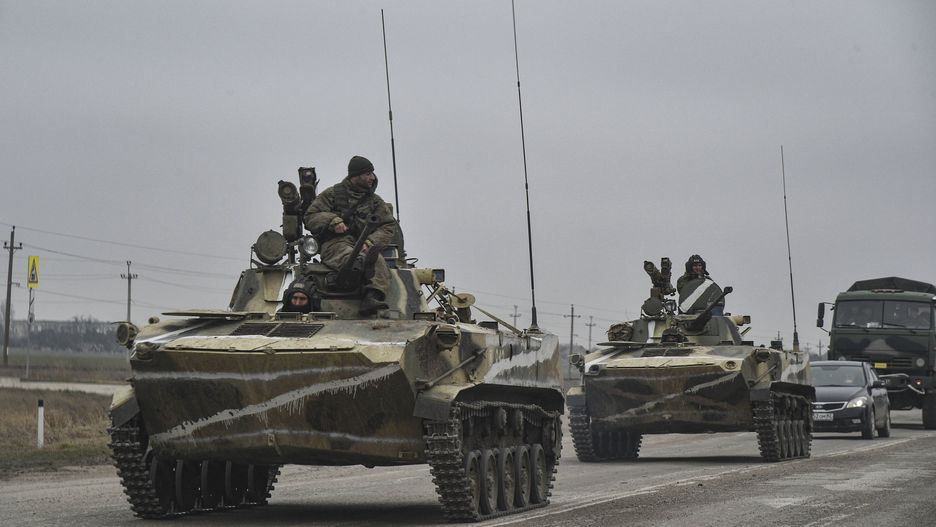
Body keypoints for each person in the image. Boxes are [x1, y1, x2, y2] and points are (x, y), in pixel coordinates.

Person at [304, 155, 397, 315]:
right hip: (335, 244)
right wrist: (332, 221)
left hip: (364, 244)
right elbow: (310, 216)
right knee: (355, 260)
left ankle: (372, 297)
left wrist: (370, 242)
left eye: (372, 173)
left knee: (376, 261)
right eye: (368, 174)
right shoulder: (332, 194)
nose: (372, 177)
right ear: (356, 175)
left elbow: (388, 225)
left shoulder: (374, 201)